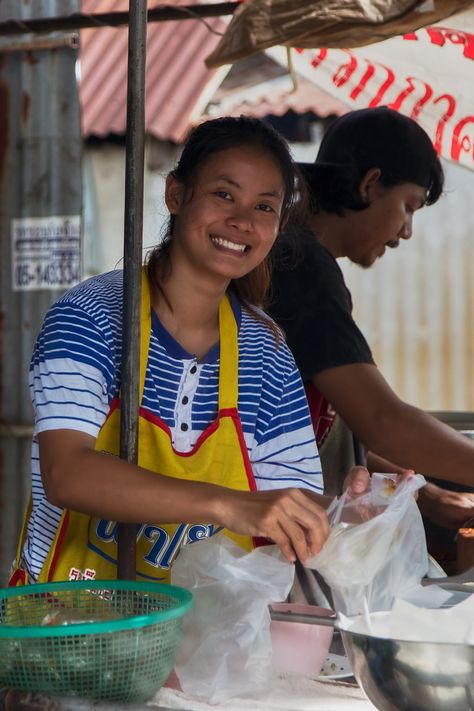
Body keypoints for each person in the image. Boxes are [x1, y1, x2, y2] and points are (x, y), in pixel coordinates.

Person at [11, 115, 372, 587]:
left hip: (203, 640)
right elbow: (67, 473)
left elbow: (282, 502)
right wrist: (227, 503)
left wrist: (351, 513)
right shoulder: (91, 317)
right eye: (224, 194)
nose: (242, 221)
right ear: (176, 195)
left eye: (264, 207)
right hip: (71, 629)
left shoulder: (267, 353)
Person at [268, 107, 474, 568]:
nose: (406, 231)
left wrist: (428, 493)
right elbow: (382, 420)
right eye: (408, 207)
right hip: (280, 543)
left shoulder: (304, 262)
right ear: (369, 184)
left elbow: (338, 427)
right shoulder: (302, 268)